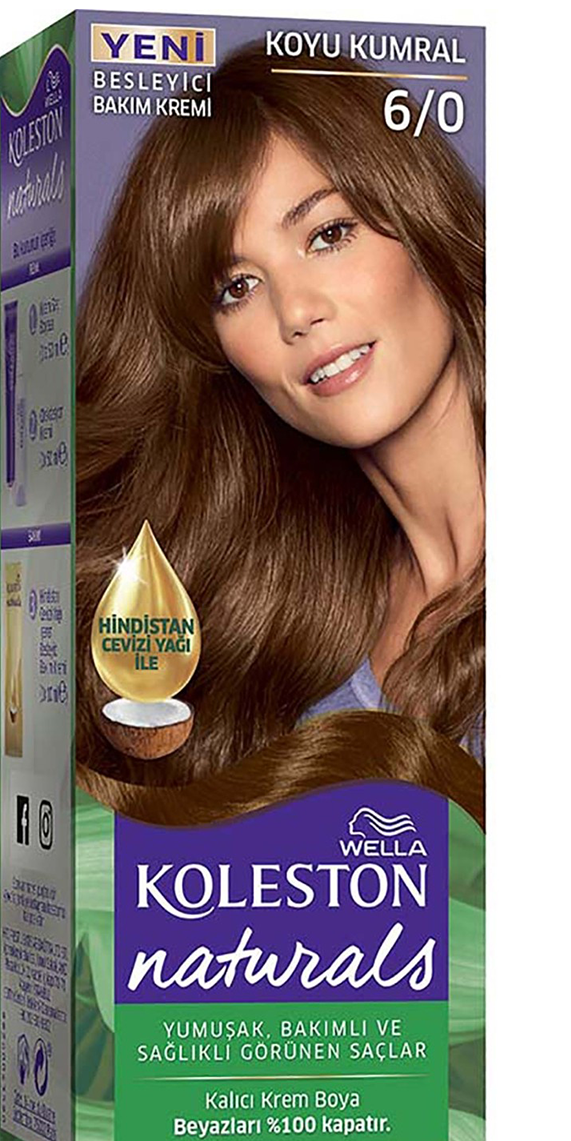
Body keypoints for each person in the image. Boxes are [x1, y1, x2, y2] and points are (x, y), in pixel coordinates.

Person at [76, 45, 484, 788]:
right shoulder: (294, 632)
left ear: (418, 212)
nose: (296, 311)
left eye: (328, 234)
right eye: (237, 287)